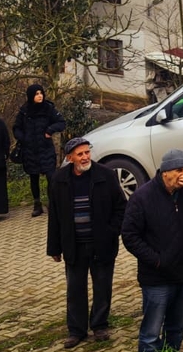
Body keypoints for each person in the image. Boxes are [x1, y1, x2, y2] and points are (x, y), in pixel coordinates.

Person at [121, 149, 183, 352]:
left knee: (176, 328)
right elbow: (129, 236)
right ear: (165, 172)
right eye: (179, 170)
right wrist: (156, 260)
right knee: (151, 334)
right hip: (157, 277)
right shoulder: (142, 197)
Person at [47, 137, 126, 348]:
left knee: (102, 287)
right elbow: (54, 215)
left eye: (87, 152)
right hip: (74, 245)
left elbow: (121, 207)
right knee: (75, 289)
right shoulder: (59, 180)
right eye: (80, 154)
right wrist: (54, 247)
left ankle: (99, 325)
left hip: (102, 243)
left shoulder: (106, 175)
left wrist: (111, 231)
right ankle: (76, 330)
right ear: (69, 157)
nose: (85, 157)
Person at [15, 83, 66, 217]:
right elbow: (16, 128)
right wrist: (23, 138)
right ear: (31, 96)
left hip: (46, 149)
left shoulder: (48, 108)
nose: (40, 96)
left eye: (41, 93)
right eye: (37, 94)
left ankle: (52, 203)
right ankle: (37, 204)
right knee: (34, 177)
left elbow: (61, 122)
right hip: (30, 150)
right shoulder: (24, 111)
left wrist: (50, 130)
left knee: (51, 177)